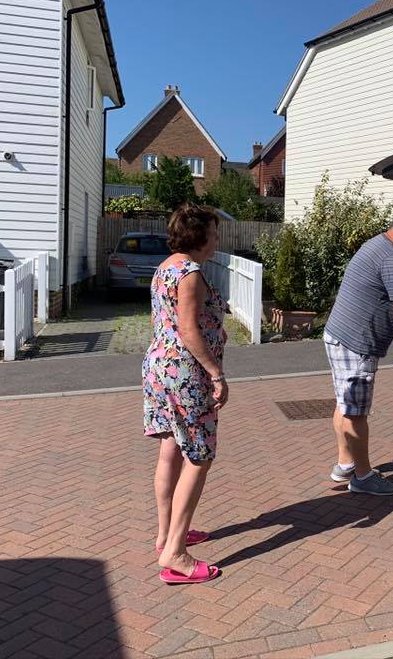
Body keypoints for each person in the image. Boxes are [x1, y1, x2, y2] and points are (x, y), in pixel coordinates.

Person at [143, 204, 228, 585]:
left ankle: (166, 535)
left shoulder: (164, 268)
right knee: (200, 456)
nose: (216, 239)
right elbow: (189, 329)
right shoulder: (189, 273)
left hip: (160, 368)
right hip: (186, 373)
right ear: (199, 236)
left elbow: (157, 322)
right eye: (213, 232)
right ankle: (175, 553)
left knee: (171, 449)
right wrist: (215, 373)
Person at [324, 208, 393, 496]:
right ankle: (362, 476)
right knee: (355, 412)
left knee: (345, 403)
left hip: (340, 335)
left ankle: (345, 463)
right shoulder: (390, 258)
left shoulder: (375, 244)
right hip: (356, 343)